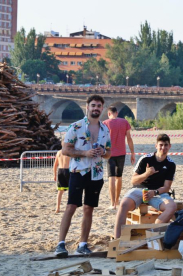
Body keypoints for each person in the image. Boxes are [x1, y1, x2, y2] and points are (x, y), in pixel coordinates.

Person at [54, 95, 111, 257]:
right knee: (71, 206)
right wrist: (85, 153)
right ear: (87, 107)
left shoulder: (105, 129)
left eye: (99, 106)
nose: (96, 108)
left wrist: (104, 152)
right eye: (93, 105)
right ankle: (60, 244)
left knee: (88, 209)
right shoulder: (76, 127)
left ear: (102, 108)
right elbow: (65, 150)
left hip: (96, 174)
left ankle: (83, 244)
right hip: (79, 172)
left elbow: (109, 153)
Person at [114, 134, 177, 238]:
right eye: (161, 145)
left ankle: (152, 234)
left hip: (157, 193)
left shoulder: (171, 164)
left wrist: (154, 192)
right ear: (156, 146)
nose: (163, 148)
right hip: (140, 189)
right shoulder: (146, 159)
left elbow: (166, 187)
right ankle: (118, 239)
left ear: (169, 146)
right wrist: (146, 174)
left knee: (172, 207)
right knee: (123, 204)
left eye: (166, 145)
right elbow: (133, 181)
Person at [103, 106, 135, 210]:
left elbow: (101, 139)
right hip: (122, 152)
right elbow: (129, 139)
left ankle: (112, 204)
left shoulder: (105, 123)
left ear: (109, 114)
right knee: (119, 177)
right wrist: (133, 153)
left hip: (110, 153)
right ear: (117, 113)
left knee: (111, 177)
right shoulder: (124, 122)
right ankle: (117, 200)